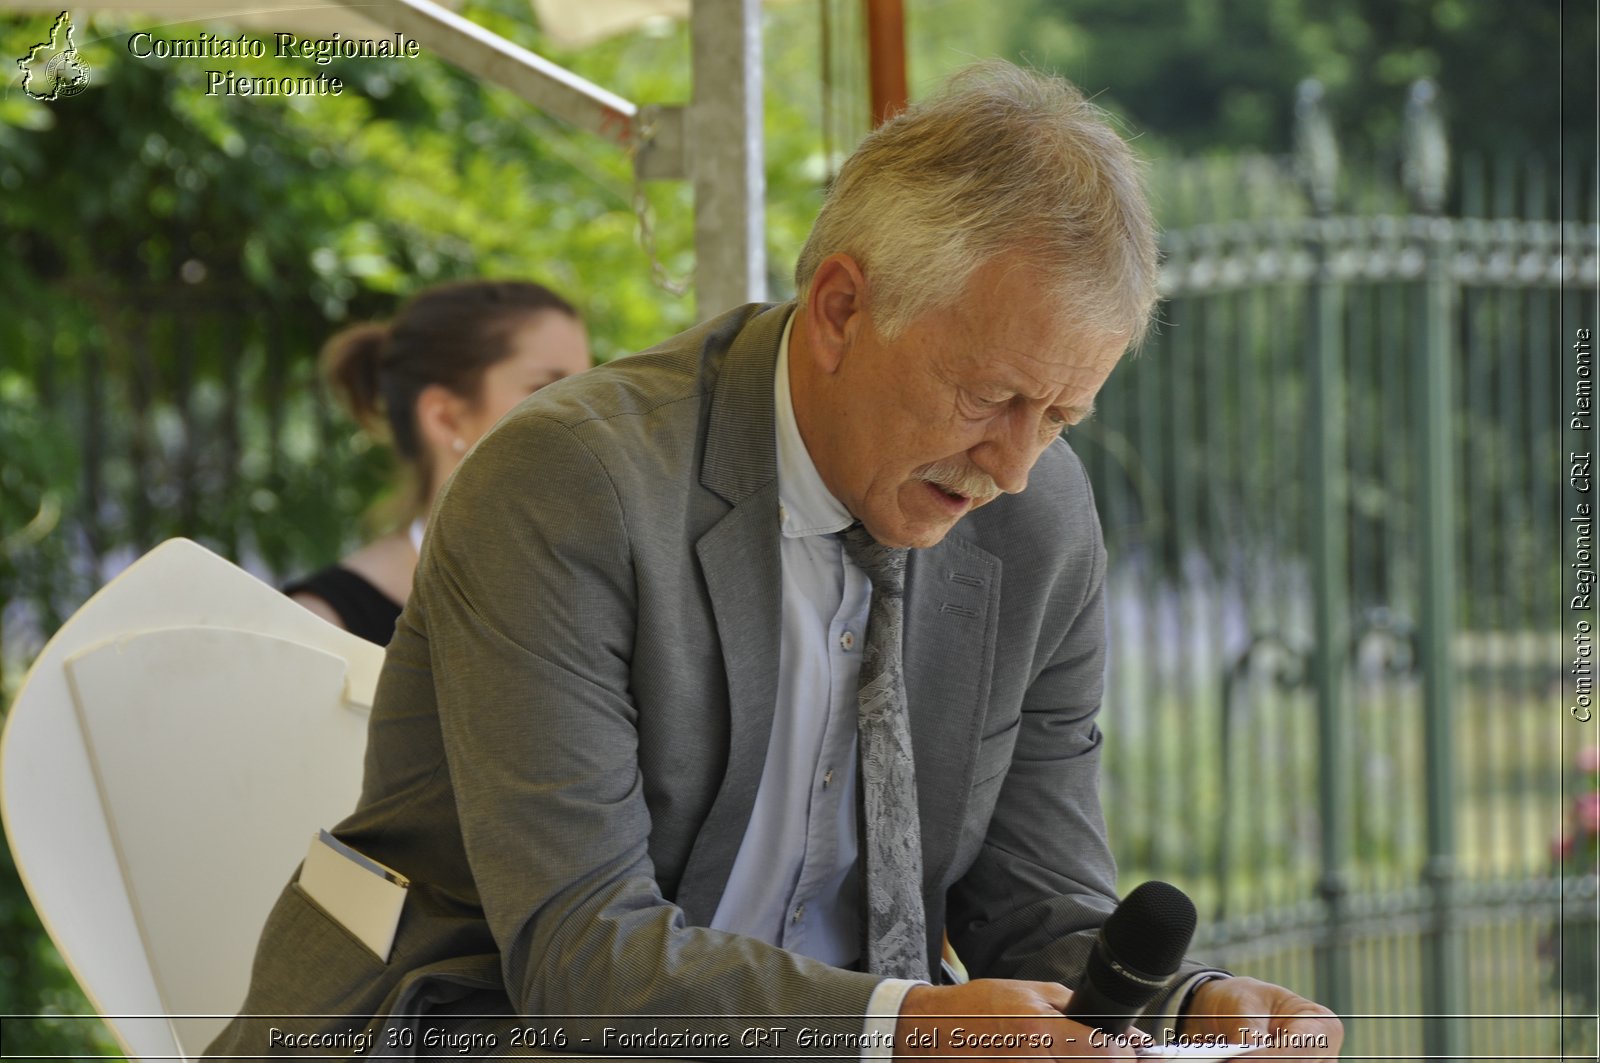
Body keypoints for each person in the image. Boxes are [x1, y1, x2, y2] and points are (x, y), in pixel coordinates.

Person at [209, 62, 1342, 1061]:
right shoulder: (569, 482)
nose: (1011, 462)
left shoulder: (1039, 515)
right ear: (843, 306)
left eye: (1060, 416)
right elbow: (577, 956)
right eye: (990, 396)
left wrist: (1181, 1007)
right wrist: (898, 1029)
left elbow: (1036, 908)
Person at [284, 280, 592, 644]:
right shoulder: (322, 627)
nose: (590, 414)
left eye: (591, 391)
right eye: (549, 389)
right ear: (445, 418)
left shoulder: (604, 596)